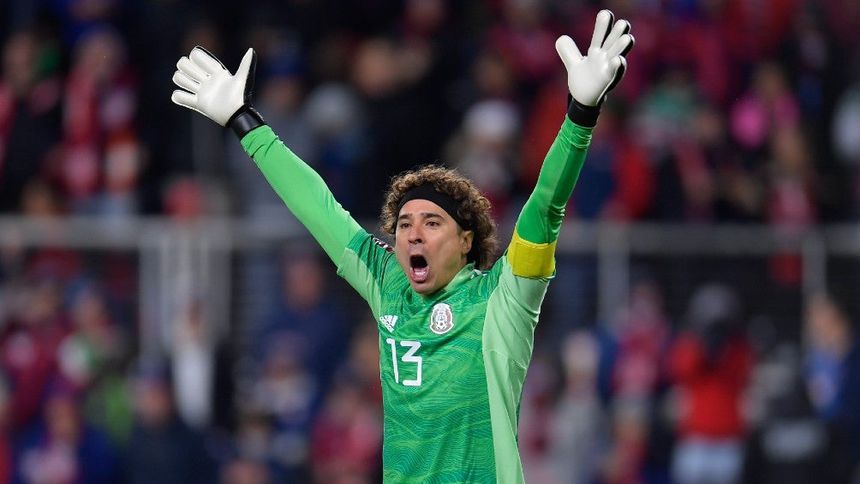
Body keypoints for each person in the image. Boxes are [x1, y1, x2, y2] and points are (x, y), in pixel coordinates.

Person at [170, 10, 634, 483]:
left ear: (466, 240)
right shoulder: (388, 284)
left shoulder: (504, 297)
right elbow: (318, 209)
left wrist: (580, 114)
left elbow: (545, 207)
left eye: (432, 223)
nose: (412, 234)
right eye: (404, 224)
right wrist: (245, 122)